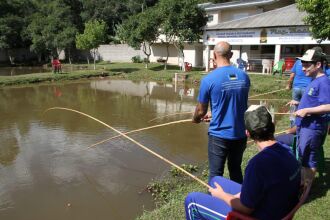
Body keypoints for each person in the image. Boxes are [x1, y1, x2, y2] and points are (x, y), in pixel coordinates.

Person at [185, 105, 301, 220]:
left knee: (192, 201)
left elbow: (246, 208)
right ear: (273, 126)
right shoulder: (288, 151)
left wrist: (222, 195)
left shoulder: (257, 164)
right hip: (275, 206)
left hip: (259, 214)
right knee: (216, 181)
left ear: (247, 134)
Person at [192, 41, 250, 184]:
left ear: (214, 55)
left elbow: (200, 110)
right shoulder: (244, 76)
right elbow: (239, 104)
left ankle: (214, 203)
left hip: (219, 135)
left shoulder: (209, 79)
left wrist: (196, 119)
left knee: (216, 173)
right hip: (240, 134)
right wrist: (214, 113)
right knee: (235, 168)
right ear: (230, 55)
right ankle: (240, 201)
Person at [291, 48, 330, 183]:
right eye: (302, 64)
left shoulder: (324, 82)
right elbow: (315, 101)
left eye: (307, 64)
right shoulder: (314, 80)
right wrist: (299, 103)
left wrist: (307, 110)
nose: (303, 68)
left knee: (308, 157)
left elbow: (329, 106)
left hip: (313, 127)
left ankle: (306, 188)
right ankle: (302, 183)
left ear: (318, 65)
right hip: (306, 125)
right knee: (304, 155)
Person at [286, 57, 312, 127]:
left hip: (296, 87)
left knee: (294, 106)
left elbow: (292, 75)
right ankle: (302, 124)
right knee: (304, 106)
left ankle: (292, 125)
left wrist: (289, 85)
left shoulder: (297, 62)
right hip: (307, 87)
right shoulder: (312, 63)